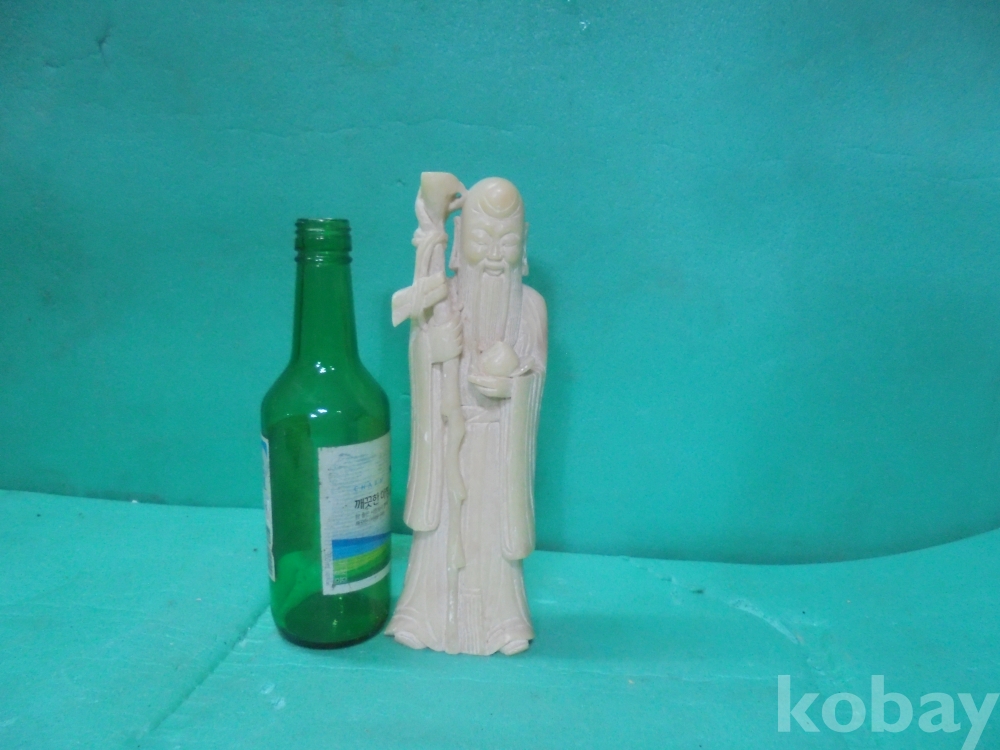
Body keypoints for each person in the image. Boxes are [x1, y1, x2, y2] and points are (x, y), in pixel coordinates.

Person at [386, 176, 547, 656]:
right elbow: (418, 353)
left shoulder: (532, 307)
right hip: (446, 441)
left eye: (507, 242)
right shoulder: (442, 296)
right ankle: (425, 615)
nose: (495, 255)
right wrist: (431, 349)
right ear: (459, 240)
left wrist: (514, 386)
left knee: (493, 531)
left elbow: (536, 374)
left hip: (499, 444)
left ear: (524, 244)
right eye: (482, 240)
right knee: (441, 528)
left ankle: (503, 620)